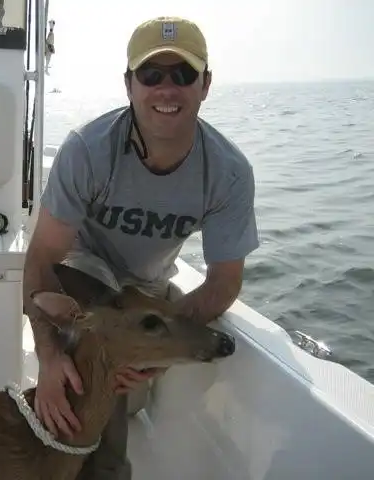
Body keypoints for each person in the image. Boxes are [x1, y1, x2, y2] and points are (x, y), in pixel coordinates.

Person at [22, 15, 259, 480]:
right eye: (151, 74)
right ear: (129, 84)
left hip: (148, 286)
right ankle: (107, 469)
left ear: (205, 84)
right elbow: (42, 258)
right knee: (104, 340)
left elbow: (224, 282)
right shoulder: (88, 150)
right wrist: (49, 357)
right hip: (82, 272)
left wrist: (160, 348)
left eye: (183, 74)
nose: (166, 89)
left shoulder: (228, 172)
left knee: (133, 383)